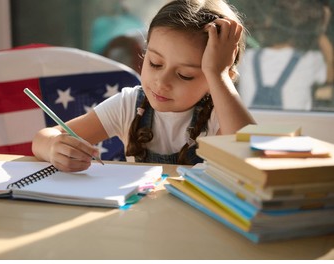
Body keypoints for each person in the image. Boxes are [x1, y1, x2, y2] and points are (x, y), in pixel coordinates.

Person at [32, 0, 255, 172]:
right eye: (155, 63)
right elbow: (44, 137)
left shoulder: (220, 114)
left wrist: (218, 74)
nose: (162, 82)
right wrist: (53, 147)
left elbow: (250, 155)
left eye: (185, 75)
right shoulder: (129, 105)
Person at [237, 0, 332, 110]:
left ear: (269, 26)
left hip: (252, 127)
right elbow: (330, 75)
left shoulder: (247, 58)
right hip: (296, 127)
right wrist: (321, 31)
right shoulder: (310, 60)